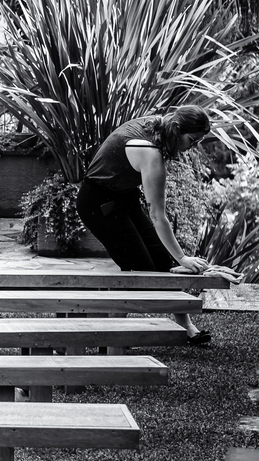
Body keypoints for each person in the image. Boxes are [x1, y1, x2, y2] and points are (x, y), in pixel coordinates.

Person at [76, 105, 213, 344]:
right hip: (97, 203)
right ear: (178, 129)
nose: (191, 148)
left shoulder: (160, 126)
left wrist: (175, 258)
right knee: (139, 270)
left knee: (161, 262)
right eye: (191, 140)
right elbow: (158, 215)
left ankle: (187, 327)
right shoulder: (151, 153)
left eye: (197, 142)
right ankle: (109, 336)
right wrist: (183, 258)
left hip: (122, 197)